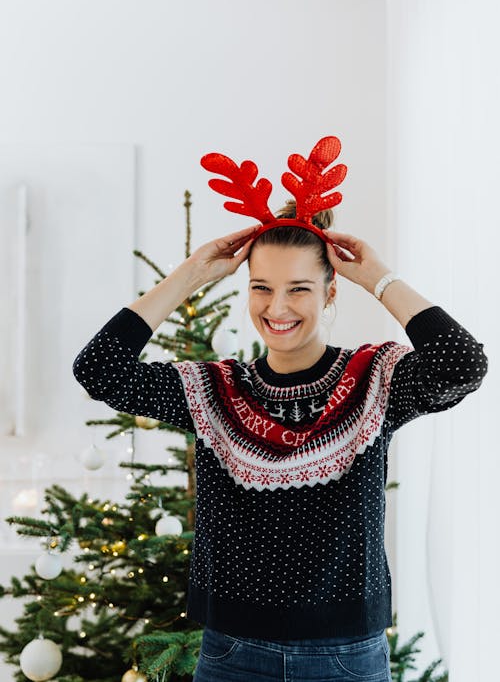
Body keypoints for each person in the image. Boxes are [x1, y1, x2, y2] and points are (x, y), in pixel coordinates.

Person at [73, 200, 488, 682]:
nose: (277, 307)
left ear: (331, 292)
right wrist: (191, 275)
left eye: (299, 289)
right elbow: (99, 369)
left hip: (345, 658)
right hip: (231, 655)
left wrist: (378, 277)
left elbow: (462, 363)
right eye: (261, 288)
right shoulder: (214, 390)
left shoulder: (374, 379)